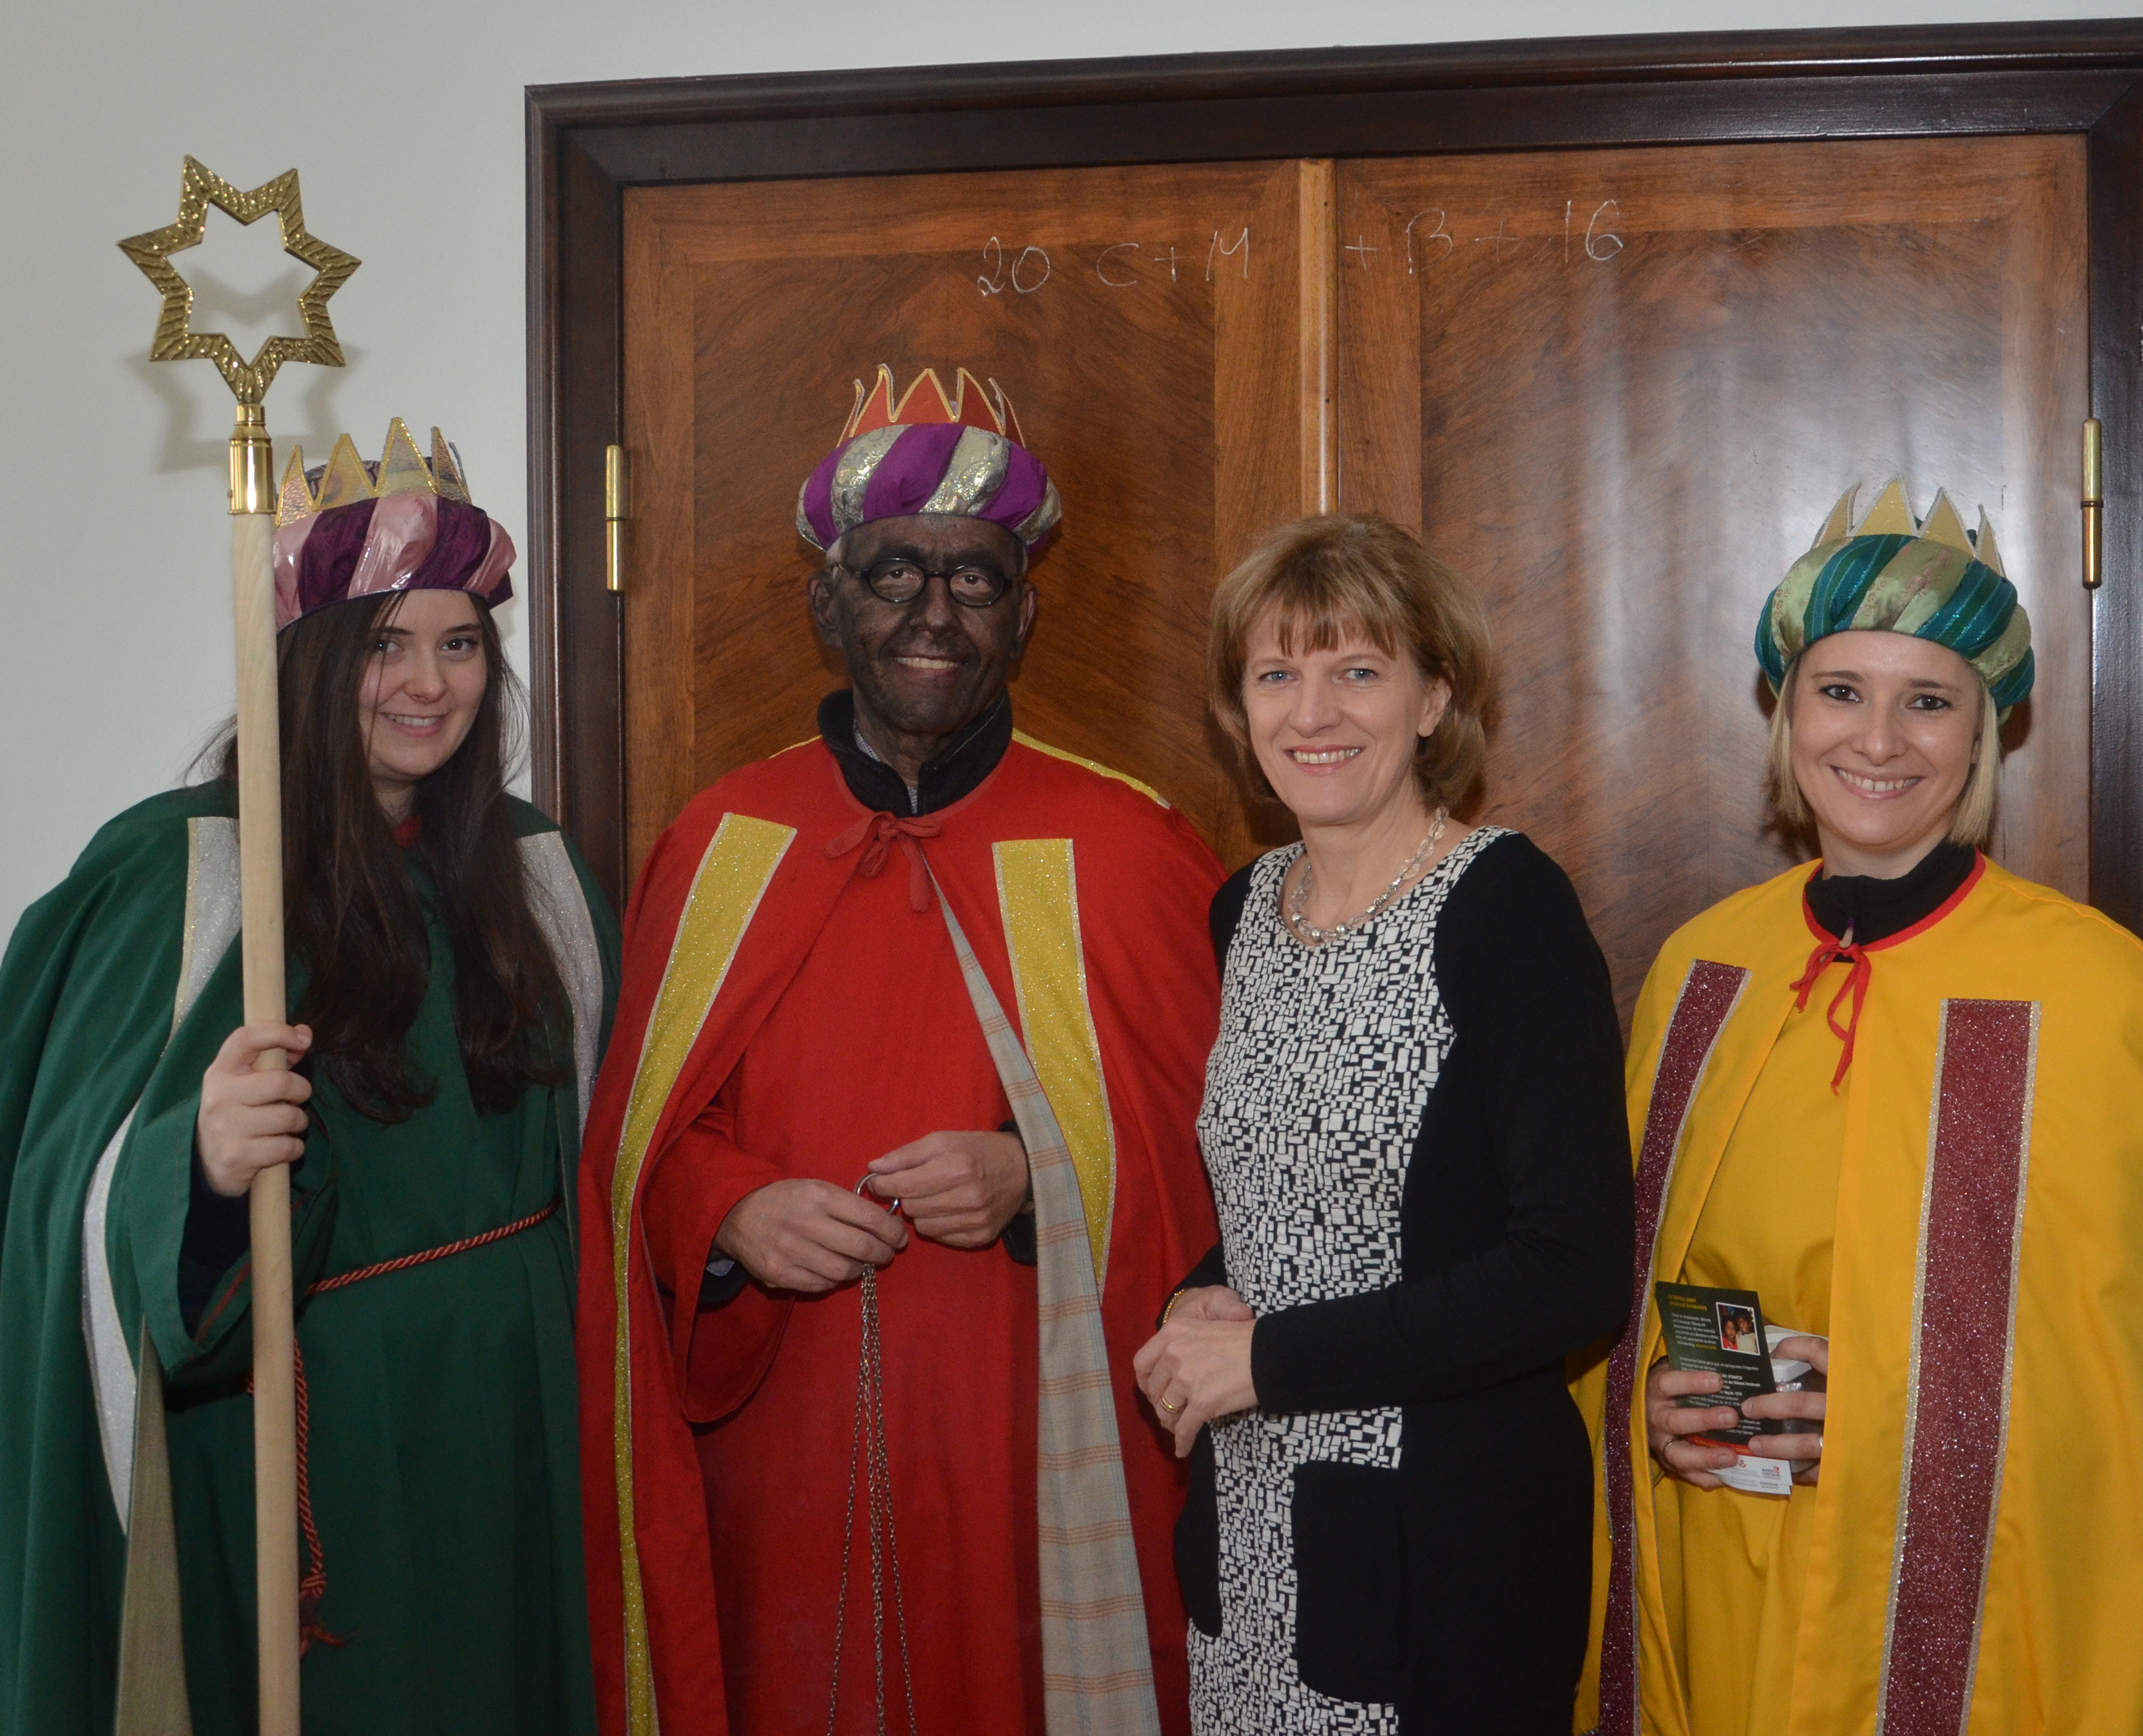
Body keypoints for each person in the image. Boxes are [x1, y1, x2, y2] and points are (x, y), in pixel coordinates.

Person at [577, 365, 1225, 1736]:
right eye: (893, 573)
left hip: (1028, 1442)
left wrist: (1034, 1174)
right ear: (829, 605)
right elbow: (635, 1155)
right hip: (780, 1447)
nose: (934, 611)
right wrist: (729, 1209)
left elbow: (1224, 1158)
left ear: (1024, 614)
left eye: (975, 577)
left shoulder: (1130, 847)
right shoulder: (718, 844)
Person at [0, 422, 618, 1735]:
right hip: (305, 1424)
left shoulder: (536, 870)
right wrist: (199, 1163)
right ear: (309, 659)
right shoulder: (187, 875)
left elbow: (613, 1141)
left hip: (514, 1411)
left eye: (462, 644)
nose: (429, 684)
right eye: (386, 644)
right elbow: (59, 1185)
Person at [1579, 485, 2143, 1736]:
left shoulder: (2107, 998)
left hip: (1977, 1615)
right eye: (1840, 690)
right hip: (1726, 1559)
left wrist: (1892, 1406)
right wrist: (1646, 1402)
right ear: (1785, 708)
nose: (1877, 738)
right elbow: (1615, 1279)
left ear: (1985, 731)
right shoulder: (1704, 969)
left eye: (1928, 700)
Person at [1131, 514, 1631, 1736]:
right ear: (1240, 709)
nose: (1314, 712)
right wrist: (1201, 1299)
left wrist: (1270, 1359)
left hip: (1445, 1554)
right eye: (1277, 675)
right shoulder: (1245, 909)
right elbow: (1293, 1204)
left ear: (1434, 697)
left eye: (1357, 670)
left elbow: (1571, 1270)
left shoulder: (1508, 908)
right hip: (1257, 1534)